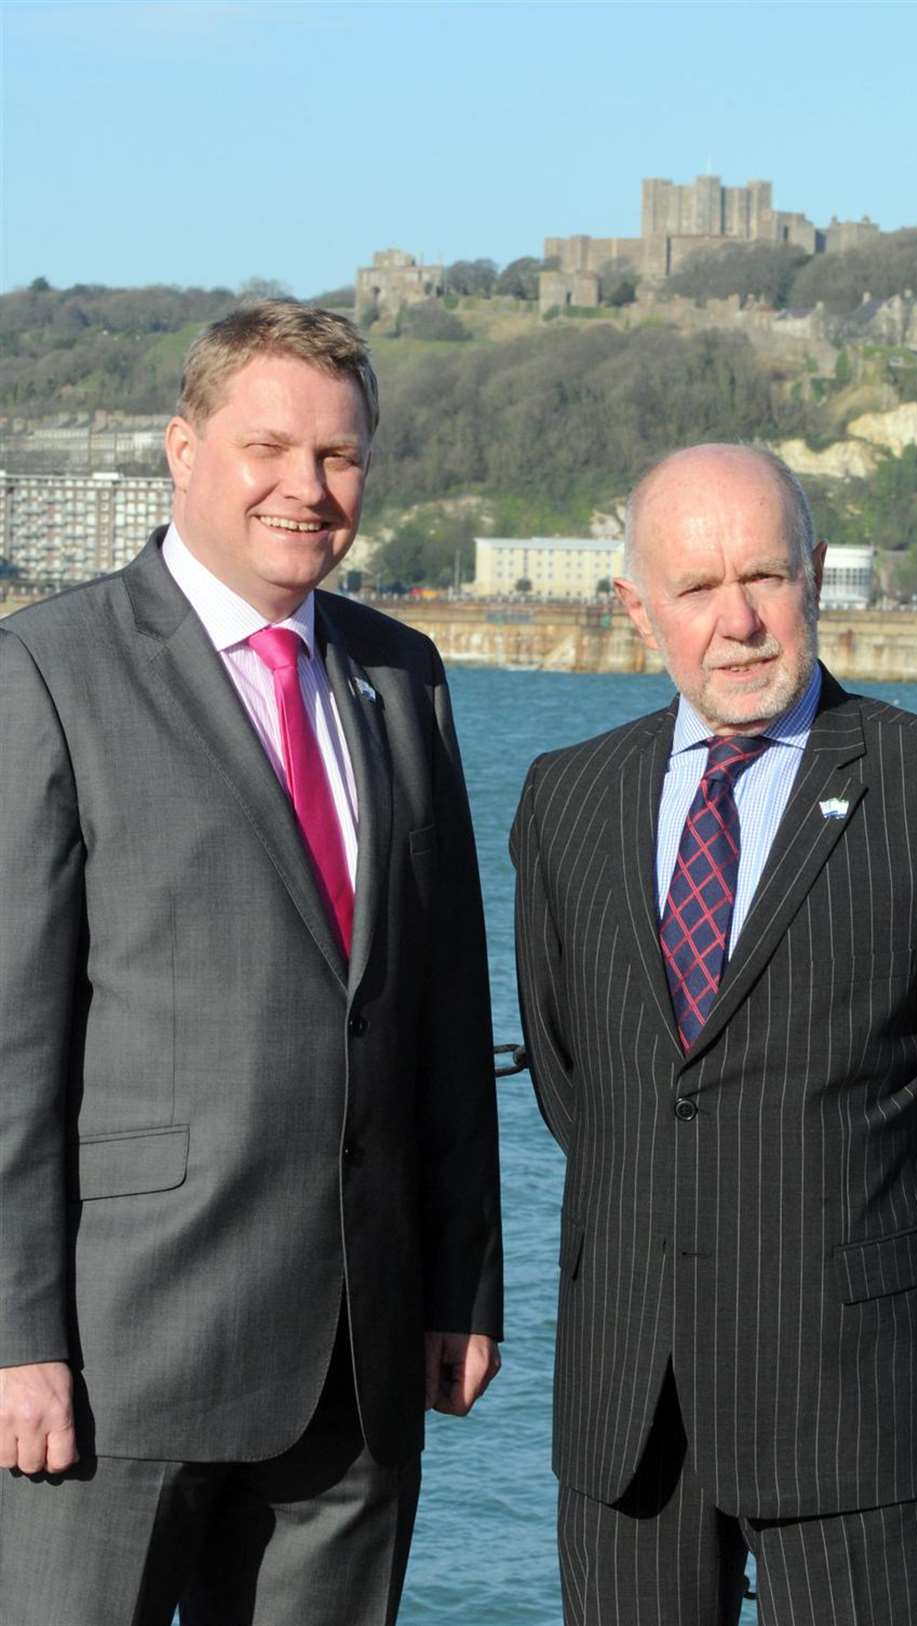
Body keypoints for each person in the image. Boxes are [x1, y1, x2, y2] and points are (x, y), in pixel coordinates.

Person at [0, 301, 502, 1626]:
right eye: (268, 446)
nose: (308, 487)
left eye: (339, 457)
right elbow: (11, 1043)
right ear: (183, 448)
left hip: (361, 1358)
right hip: (122, 1355)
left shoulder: (405, 676)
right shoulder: (49, 669)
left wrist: (460, 1282)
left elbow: (446, 1011)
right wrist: (15, 1338)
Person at [511, 443, 917, 1626]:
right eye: (696, 590)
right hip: (625, 1415)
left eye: (767, 577)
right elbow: (572, 1080)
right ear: (636, 609)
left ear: (819, 574)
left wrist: (852, 1263)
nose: (738, 622)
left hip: (853, 1401)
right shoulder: (565, 799)